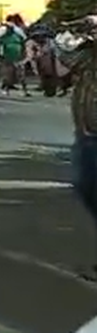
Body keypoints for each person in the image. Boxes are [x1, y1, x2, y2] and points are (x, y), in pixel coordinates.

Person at [54, 19, 97, 281]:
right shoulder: (88, 55)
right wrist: (64, 40)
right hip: (86, 134)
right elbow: (61, 70)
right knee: (83, 186)